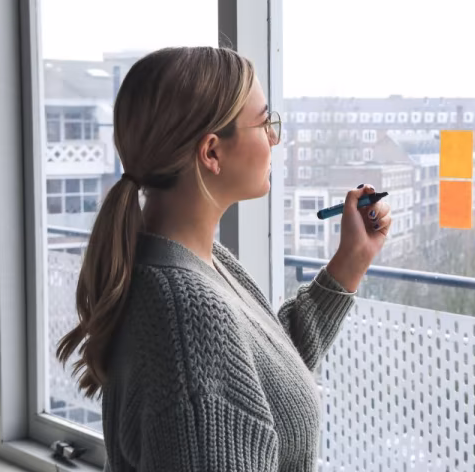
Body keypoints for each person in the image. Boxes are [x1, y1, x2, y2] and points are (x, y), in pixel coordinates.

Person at [56, 47, 391, 471]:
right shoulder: (188, 313)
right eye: (265, 123)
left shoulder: (193, 263)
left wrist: (350, 262)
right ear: (211, 152)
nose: (274, 138)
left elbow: (264, 381)